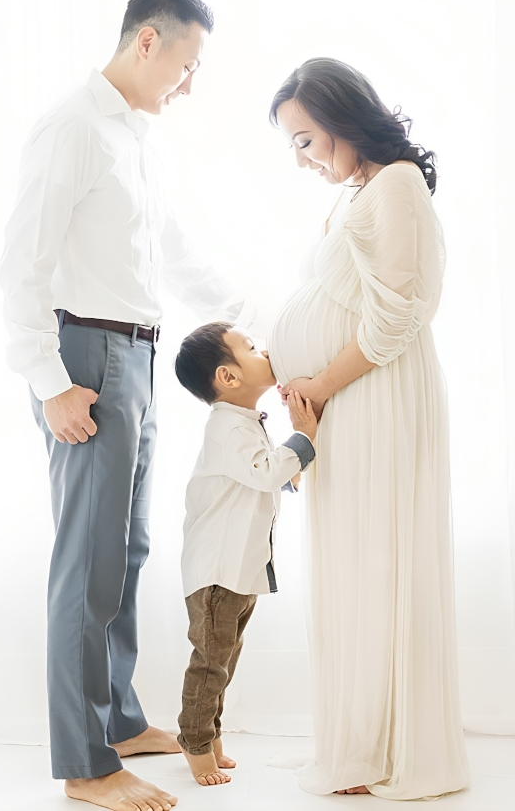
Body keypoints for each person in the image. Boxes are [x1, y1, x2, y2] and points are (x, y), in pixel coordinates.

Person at [0, 0, 253, 811]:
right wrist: (50, 384)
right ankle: (85, 766)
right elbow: (21, 267)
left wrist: (250, 314)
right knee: (87, 564)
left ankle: (118, 719)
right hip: (85, 358)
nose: (190, 84)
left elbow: (171, 254)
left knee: (129, 552)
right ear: (148, 43)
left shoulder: (136, 139)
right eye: (187, 64)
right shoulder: (71, 128)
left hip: (138, 357)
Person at [267, 58, 471, 800]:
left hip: (376, 396)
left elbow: (397, 317)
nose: (305, 159)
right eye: (295, 146)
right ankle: (359, 741)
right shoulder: (371, 188)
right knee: (357, 560)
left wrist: (318, 383)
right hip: (351, 402)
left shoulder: (398, 185)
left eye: (308, 141)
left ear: (344, 121)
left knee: (380, 559)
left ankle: (388, 747)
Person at [173, 323, 317, 786]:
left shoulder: (244, 424)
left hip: (238, 569)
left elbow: (267, 478)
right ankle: (195, 743)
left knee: (225, 658)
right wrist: (304, 437)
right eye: (251, 348)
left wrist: (291, 468)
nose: (265, 350)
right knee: (211, 661)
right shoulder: (226, 429)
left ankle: (210, 733)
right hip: (218, 571)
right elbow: (263, 472)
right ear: (228, 377)